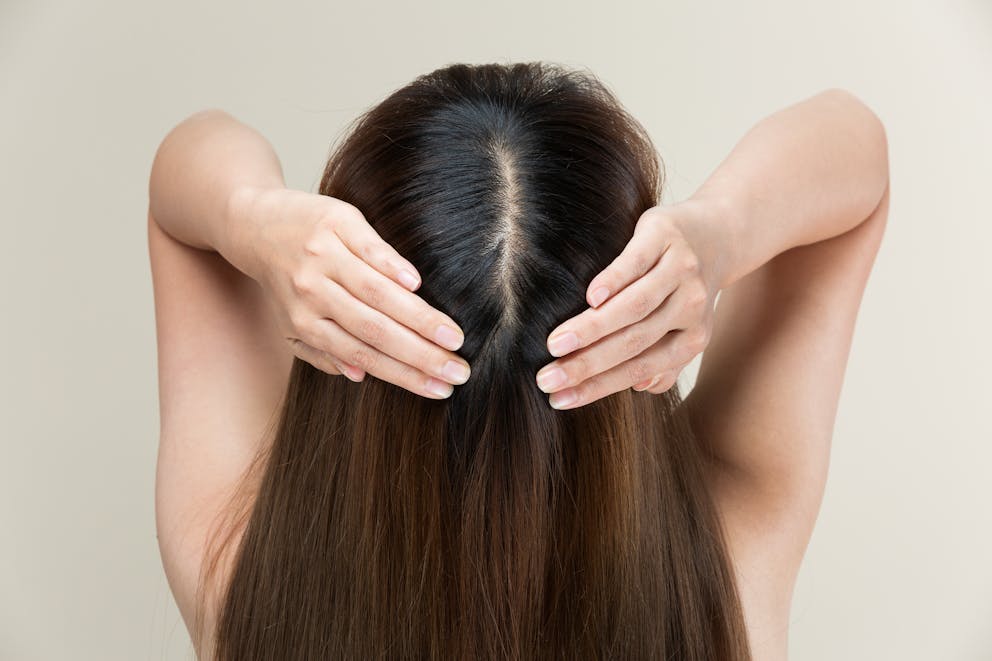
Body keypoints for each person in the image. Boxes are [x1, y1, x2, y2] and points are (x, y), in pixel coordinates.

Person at [147, 62, 889, 660]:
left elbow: (181, 185)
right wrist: (722, 230)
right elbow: (859, 152)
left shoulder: (242, 581)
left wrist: (251, 216)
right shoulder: (725, 578)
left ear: (353, 351)